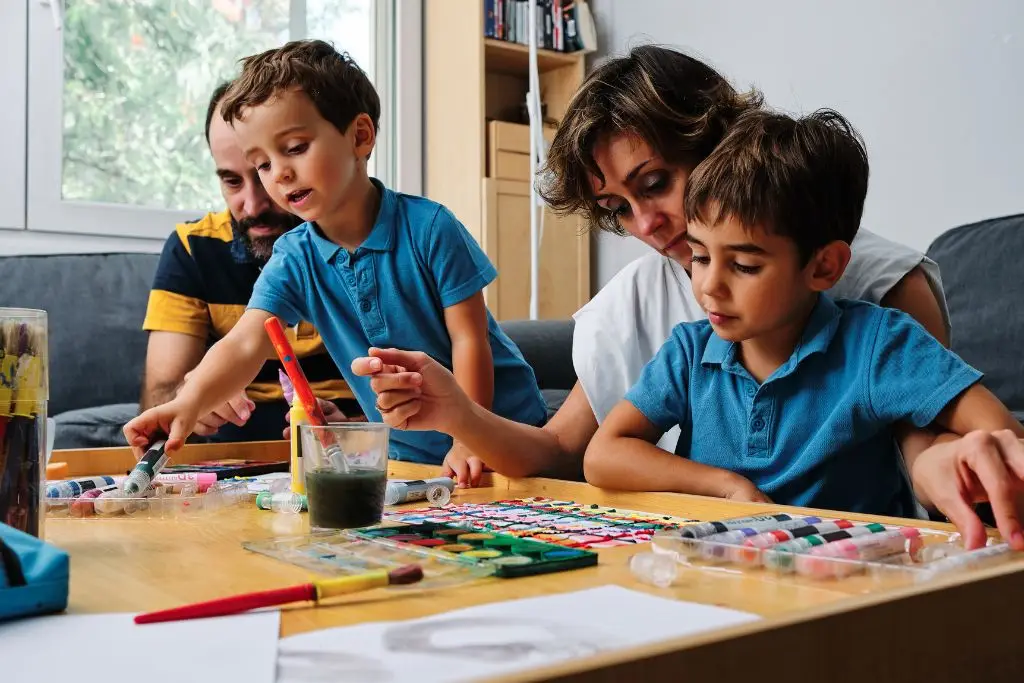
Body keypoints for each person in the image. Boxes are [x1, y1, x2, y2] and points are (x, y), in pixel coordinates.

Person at [353, 45, 1024, 549]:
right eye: (618, 207)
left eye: (655, 183)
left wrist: (951, 456)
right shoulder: (655, 309)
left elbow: (920, 430)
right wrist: (457, 412)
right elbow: (563, 449)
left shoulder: (879, 289)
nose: (645, 226)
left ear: (717, 142)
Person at [583, 107, 1023, 517]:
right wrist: (725, 486)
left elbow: (998, 430)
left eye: (744, 265)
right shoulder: (688, 351)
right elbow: (603, 455)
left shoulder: (876, 343)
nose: (710, 286)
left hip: (851, 577)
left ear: (823, 266)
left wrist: (970, 454)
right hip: (720, 572)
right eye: (699, 257)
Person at [124, 40, 546, 465]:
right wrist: (189, 403)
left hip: (504, 433)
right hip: (408, 453)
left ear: (360, 137)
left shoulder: (431, 227)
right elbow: (243, 344)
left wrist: (469, 438)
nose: (280, 174)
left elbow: (469, 339)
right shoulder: (293, 257)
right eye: (263, 164)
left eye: (294, 148)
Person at [141, 81, 358, 442]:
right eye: (231, 181)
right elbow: (159, 397)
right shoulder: (193, 248)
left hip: (353, 454)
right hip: (231, 459)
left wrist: (356, 429)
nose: (254, 205)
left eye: (266, 170)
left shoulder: (370, 243)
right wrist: (192, 401)